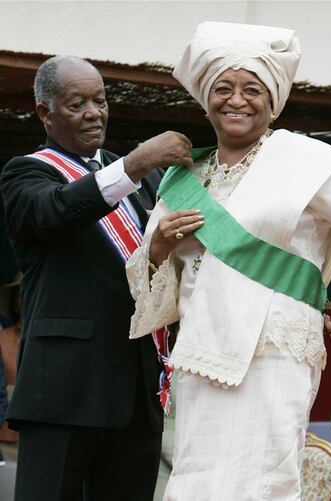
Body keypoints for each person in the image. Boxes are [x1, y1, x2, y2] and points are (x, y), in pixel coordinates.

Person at [126, 22, 331, 500]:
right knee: (196, 485)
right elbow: (148, 279)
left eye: (252, 89)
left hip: (273, 355)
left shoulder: (306, 161)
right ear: (206, 98)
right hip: (200, 355)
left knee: (261, 485)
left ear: (274, 101)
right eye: (223, 87)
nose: (236, 100)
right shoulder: (186, 177)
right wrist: (157, 250)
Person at [0, 55, 193, 501]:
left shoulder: (146, 181)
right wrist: (135, 163)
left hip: (135, 388)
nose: (93, 112)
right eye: (77, 103)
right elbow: (58, 211)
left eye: (100, 100)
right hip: (65, 389)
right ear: (45, 113)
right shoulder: (25, 173)